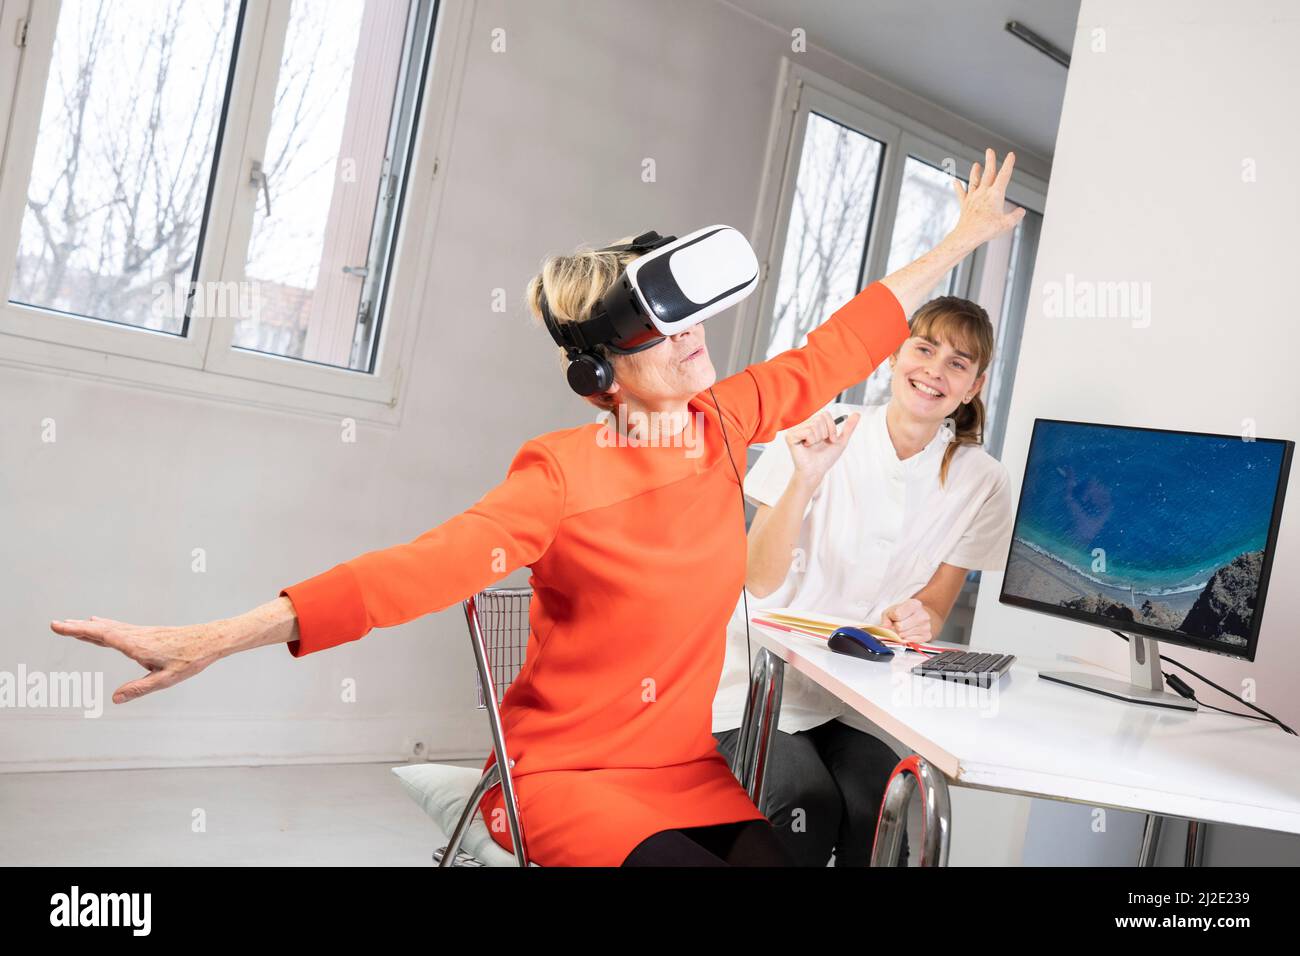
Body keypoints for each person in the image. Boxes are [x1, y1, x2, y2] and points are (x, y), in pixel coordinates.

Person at [50, 150, 1025, 867]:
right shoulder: (559, 473)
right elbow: (408, 573)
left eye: (688, 321)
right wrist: (218, 633)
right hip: (566, 778)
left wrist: (960, 238)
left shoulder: (724, 423)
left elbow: (839, 346)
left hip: (679, 766)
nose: (692, 343)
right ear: (600, 370)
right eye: (658, 333)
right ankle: (489, 825)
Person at [712, 294, 1016, 867]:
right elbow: (756, 578)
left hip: (853, 700)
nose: (935, 370)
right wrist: (805, 479)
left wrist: (918, 614)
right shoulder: (822, 431)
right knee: (806, 804)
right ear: (894, 356)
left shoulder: (984, 480)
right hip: (754, 688)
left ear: (974, 386)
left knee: (883, 809)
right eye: (924, 349)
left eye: (958, 363)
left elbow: (933, 607)